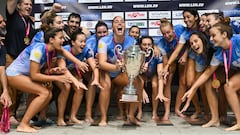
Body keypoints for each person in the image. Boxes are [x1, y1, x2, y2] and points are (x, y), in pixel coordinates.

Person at [6, 28, 85, 133]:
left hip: (23, 75)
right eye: (60, 38)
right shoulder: (39, 49)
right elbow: (34, 75)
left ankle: (26, 121)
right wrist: (57, 77)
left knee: (48, 95)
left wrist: (76, 80)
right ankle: (23, 124)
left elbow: (65, 54)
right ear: (51, 40)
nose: (63, 40)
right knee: (44, 93)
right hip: (14, 74)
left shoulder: (52, 51)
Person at [181, 22, 240, 131]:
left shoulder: (238, 40)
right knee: (212, 82)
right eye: (210, 36)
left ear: (224, 35)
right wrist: (192, 90)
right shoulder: (219, 53)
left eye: (213, 36)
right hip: (235, 72)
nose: (211, 39)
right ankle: (215, 119)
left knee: (229, 86)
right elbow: (208, 73)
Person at [98, 16, 142, 126]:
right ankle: (103, 118)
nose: (119, 24)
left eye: (122, 22)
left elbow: (135, 60)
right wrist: (115, 67)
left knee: (138, 82)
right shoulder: (103, 41)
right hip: (107, 71)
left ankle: (131, 115)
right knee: (106, 86)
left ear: (125, 26)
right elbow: (102, 63)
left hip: (121, 74)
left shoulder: (132, 41)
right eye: (116, 22)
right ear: (112, 27)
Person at [56, 30, 102, 126]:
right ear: (73, 42)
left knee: (79, 88)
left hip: (72, 71)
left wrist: (96, 79)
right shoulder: (64, 50)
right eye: (80, 41)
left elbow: (94, 66)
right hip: (57, 72)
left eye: (85, 41)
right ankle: (60, 118)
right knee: (66, 87)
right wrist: (74, 81)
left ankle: (73, 117)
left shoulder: (87, 50)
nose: (83, 44)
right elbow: (63, 69)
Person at [5, 0, 37, 125]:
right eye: (25, 4)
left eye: (30, 5)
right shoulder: (12, 16)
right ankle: (9, 114)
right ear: (18, 6)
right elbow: (10, 2)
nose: (28, 7)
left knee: (19, 89)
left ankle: (13, 113)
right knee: (9, 87)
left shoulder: (31, 22)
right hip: (10, 55)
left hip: (22, 59)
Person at [139, 36, 169, 120]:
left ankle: (154, 112)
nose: (147, 47)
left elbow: (160, 74)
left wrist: (160, 93)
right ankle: (139, 111)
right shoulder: (137, 54)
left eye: (149, 44)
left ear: (152, 45)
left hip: (153, 74)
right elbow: (135, 74)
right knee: (139, 84)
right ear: (140, 45)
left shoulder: (157, 55)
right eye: (144, 44)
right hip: (141, 75)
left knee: (155, 85)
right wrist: (142, 90)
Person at [84, 20, 109, 123]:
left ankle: (101, 111)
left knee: (106, 83)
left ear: (108, 32)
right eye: (99, 32)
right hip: (89, 69)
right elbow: (87, 59)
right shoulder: (90, 41)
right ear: (95, 33)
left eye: (104, 32)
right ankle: (88, 113)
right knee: (93, 80)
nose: (102, 35)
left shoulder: (111, 40)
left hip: (106, 68)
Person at [0, 14, 12, 114]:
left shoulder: (2, 46)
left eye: (4, 21)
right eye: (0, 22)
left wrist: (5, 90)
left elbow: (2, 68)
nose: (4, 24)